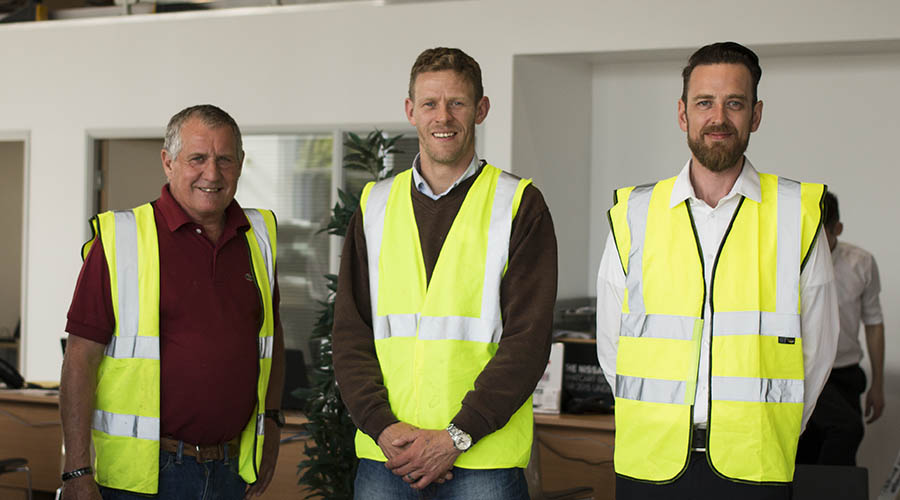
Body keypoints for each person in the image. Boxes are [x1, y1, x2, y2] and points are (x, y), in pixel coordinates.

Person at [595, 41, 839, 499]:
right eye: (704, 102)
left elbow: (820, 347)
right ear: (683, 114)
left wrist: (777, 424)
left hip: (757, 459)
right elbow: (612, 342)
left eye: (735, 103)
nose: (719, 118)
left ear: (757, 115)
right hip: (651, 459)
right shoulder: (635, 213)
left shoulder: (797, 213)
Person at [332, 47, 558, 499]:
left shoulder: (518, 205)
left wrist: (456, 436)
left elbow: (527, 343)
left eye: (457, 103)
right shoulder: (374, 205)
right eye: (431, 103)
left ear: (481, 109)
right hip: (387, 457)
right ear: (410, 111)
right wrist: (381, 426)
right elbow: (349, 331)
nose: (444, 116)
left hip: (482, 462)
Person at [59, 104, 285, 500]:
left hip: (231, 470)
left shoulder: (258, 237)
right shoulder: (121, 239)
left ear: (241, 164)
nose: (211, 174)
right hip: (144, 479)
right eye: (197, 158)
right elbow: (80, 358)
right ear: (168, 162)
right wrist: (76, 469)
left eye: (224, 160)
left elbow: (271, 336)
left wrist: (272, 422)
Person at [797, 191, 885, 465]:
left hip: (845, 373)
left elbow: (873, 323)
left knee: (841, 457)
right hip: (805, 372)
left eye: (823, 234)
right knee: (810, 450)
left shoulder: (861, 263)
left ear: (838, 229)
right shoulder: (790, 262)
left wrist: (878, 385)